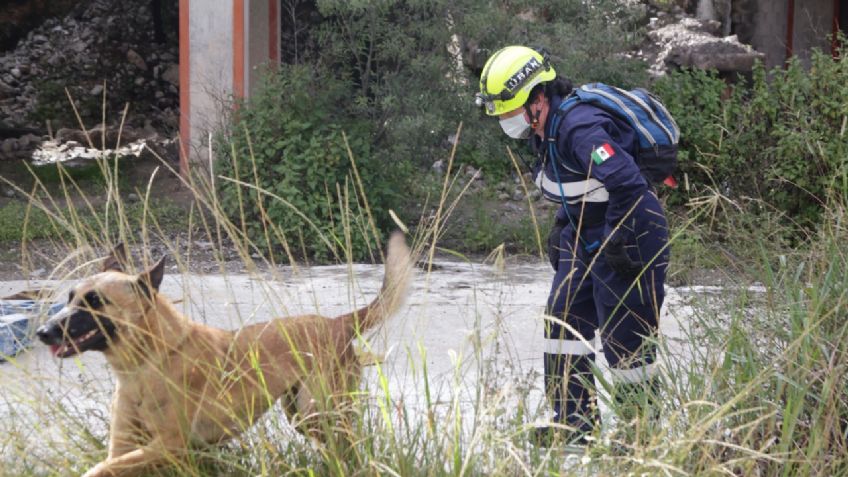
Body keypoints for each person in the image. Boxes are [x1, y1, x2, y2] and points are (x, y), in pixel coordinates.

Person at [475, 45, 670, 445]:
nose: (508, 120)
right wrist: (562, 229)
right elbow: (577, 188)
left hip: (630, 229)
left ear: (539, 98)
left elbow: (627, 183)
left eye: (511, 111)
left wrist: (618, 238)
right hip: (584, 231)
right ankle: (574, 425)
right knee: (562, 322)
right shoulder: (544, 133)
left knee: (626, 338)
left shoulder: (579, 128)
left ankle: (640, 438)